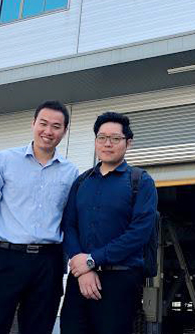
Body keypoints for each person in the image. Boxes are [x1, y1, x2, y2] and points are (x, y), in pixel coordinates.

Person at [0, 100, 78, 334]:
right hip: (5, 258)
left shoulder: (70, 172)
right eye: (43, 123)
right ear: (33, 123)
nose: (48, 131)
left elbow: (70, 221)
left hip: (48, 263)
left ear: (65, 131)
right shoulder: (5, 160)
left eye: (56, 126)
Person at [60, 111, 158, 334]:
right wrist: (83, 267)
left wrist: (92, 260)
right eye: (102, 137)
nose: (107, 144)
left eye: (115, 138)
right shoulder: (81, 182)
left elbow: (139, 233)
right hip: (80, 279)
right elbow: (69, 225)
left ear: (128, 143)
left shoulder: (140, 181)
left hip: (120, 279)